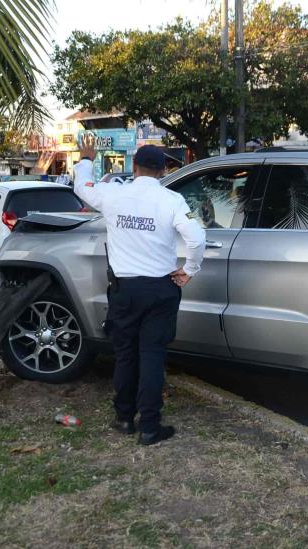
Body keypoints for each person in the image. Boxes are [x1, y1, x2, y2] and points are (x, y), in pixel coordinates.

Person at [74, 140, 206, 445]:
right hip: (160, 290)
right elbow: (196, 238)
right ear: (162, 170)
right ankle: (149, 426)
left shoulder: (113, 193)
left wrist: (86, 160)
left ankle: (123, 418)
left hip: (124, 290)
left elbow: (82, 187)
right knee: (152, 356)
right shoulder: (171, 199)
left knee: (125, 355)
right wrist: (190, 269)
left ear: (134, 168)